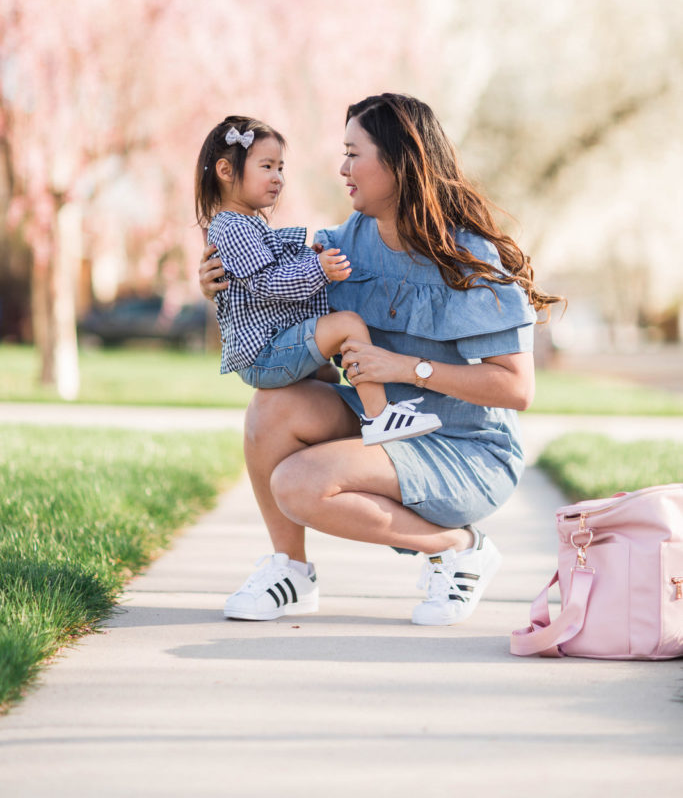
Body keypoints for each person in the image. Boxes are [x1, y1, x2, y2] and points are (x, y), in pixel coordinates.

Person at [198, 95, 563, 626]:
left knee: (298, 484)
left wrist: (404, 368)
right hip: (386, 423)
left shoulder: (472, 256)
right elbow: (270, 288)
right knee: (270, 409)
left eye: (354, 153)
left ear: (398, 161)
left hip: (465, 448)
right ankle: (291, 572)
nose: (342, 169)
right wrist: (217, 284)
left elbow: (517, 390)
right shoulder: (346, 244)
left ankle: (460, 546)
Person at [195, 116, 442, 447]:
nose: (278, 178)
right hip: (265, 353)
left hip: (268, 347)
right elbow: (268, 283)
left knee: (326, 376)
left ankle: (323, 439)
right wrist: (319, 271)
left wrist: (309, 259)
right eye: (266, 166)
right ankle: (380, 418)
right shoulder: (234, 227)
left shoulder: (244, 225)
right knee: (347, 325)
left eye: (280, 168)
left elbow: (264, 275)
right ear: (226, 172)